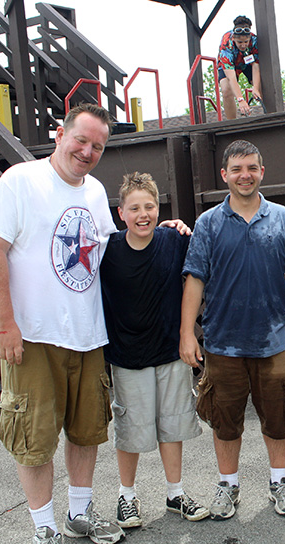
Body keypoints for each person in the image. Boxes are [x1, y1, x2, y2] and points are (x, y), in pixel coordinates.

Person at [0, 104, 125, 544]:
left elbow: (109, 247)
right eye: (81, 140)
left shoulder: (96, 192)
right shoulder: (21, 181)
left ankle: (79, 514)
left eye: (97, 146)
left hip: (87, 333)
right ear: (60, 134)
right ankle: (43, 526)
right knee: (34, 436)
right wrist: (4, 322)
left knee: (86, 431)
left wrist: (161, 231)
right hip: (32, 335)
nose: (87, 151)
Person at [180, 140, 285, 520]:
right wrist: (187, 332)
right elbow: (194, 279)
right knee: (224, 420)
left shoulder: (282, 218)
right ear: (225, 174)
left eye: (252, 168)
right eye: (237, 169)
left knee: (278, 415)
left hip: (273, 339)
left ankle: (281, 482)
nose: (245, 175)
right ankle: (228, 485)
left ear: (262, 172)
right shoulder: (208, 224)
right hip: (222, 342)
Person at [100, 172, 207, 530]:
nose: (142, 214)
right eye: (134, 208)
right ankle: (126, 496)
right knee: (131, 429)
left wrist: (182, 226)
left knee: (172, 426)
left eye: (150, 206)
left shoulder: (173, 240)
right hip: (127, 356)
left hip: (170, 351)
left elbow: (199, 271)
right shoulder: (108, 248)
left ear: (159, 209)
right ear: (121, 213)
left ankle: (175, 492)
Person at [217, 15, 262, 120]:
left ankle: (268, 116)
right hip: (231, 64)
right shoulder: (226, 44)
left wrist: (255, 87)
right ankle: (232, 123)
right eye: (240, 42)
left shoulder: (254, 41)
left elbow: (256, 66)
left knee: (261, 85)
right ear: (233, 38)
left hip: (246, 62)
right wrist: (240, 99)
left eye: (246, 42)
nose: (243, 45)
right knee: (226, 90)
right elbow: (231, 78)